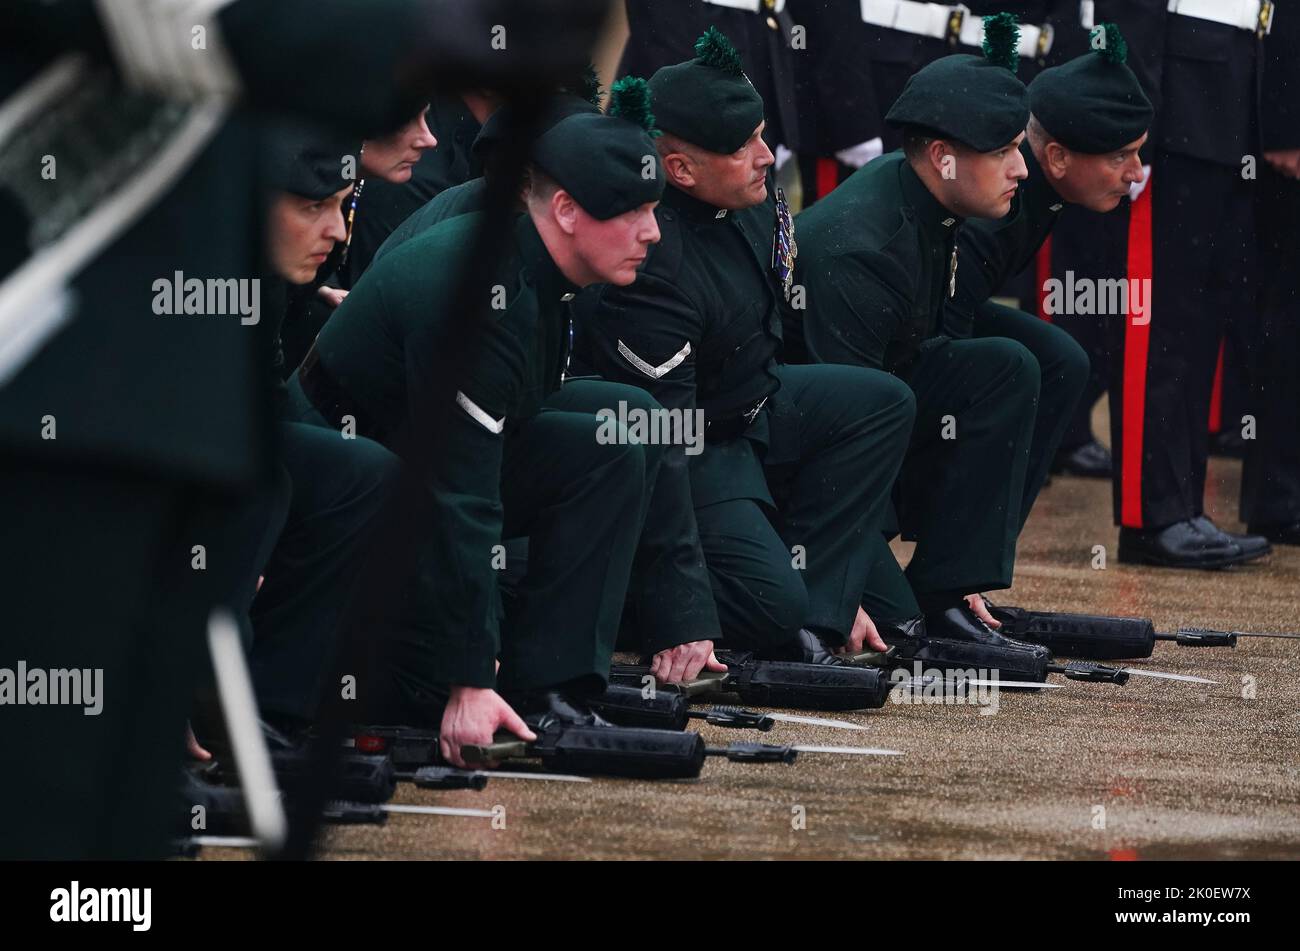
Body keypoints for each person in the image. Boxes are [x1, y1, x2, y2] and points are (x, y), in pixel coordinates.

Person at [285, 107, 672, 767]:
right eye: (633, 212)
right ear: (569, 212)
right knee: (415, 689)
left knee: (605, 449)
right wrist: (470, 677)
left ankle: (554, 689)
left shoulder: (541, 270)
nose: (653, 233)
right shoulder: (479, 290)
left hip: (401, 474)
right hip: (330, 508)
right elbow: (460, 489)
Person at [575, 29, 917, 665]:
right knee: (769, 607)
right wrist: (682, 614)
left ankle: (822, 606)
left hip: (757, 406)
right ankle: (587, 604)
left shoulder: (755, 202)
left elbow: (774, 334)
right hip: (698, 442)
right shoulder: (650, 257)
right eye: (744, 146)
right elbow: (664, 443)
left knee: (878, 403)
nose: (767, 155)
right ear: (680, 169)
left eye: (764, 133)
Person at [792, 34, 1052, 656]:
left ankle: (951, 585)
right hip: (802, 466)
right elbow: (844, 427)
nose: (1022, 168)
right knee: (903, 633)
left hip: (875, 419)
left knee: (1005, 365)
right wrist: (843, 582)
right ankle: (906, 600)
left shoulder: (934, 204)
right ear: (942, 157)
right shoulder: (860, 248)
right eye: (1006, 151)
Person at [947, 23, 1154, 538]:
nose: (1136, 172)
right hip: (882, 338)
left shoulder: (1040, 186)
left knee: (1061, 360)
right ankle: (950, 563)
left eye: (1138, 152)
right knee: (1018, 365)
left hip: (937, 311)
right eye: (1119, 157)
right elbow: (933, 325)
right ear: (1058, 157)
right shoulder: (995, 206)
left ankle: (978, 559)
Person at [1094, 0, 1275, 568]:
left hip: (1230, 102)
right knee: (1160, 326)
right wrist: (1134, 125)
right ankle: (1150, 516)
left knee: (1200, 329)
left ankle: (1183, 506)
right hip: (1174, 115)